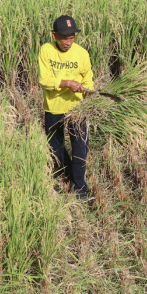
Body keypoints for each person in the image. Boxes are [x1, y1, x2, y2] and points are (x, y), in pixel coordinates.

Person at [38, 15, 94, 200]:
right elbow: (44, 80)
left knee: (80, 147)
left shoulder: (82, 53)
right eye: (64, 37)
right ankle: (67, 172)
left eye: (71, 37)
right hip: (54, 107)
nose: (68, 42)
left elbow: (88, 79)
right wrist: (67, 83)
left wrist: (88, 92)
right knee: (55, 147)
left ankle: (80, 188)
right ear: (54, 35)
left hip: (77, 108)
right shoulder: (46, 51)